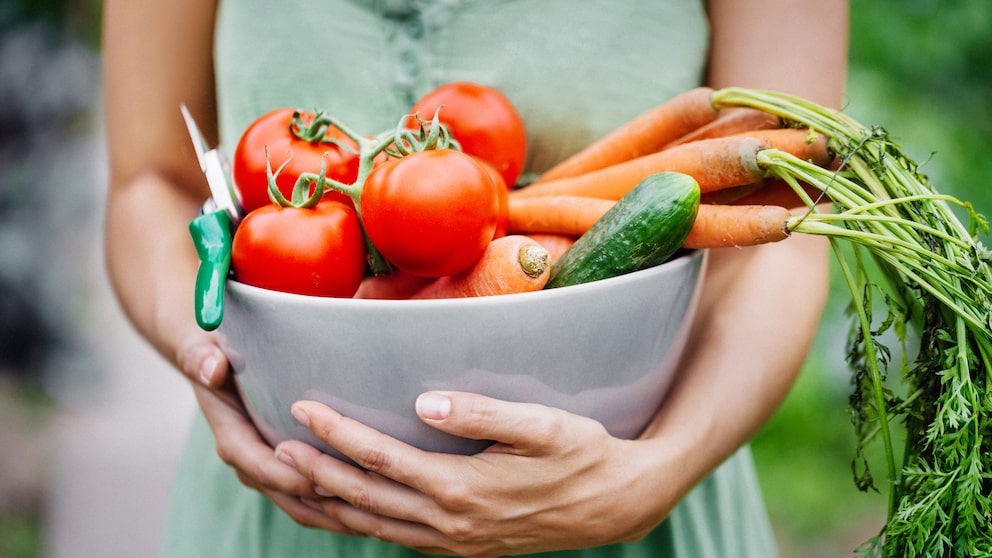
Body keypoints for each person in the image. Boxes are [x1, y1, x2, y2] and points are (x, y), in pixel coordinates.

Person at [102, 1, 848, 556]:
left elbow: (789, 237)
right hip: (295, 492)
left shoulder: (643, 482)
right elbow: (149, 182)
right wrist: (201, 348)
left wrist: (656, 473)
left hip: (625, 503)